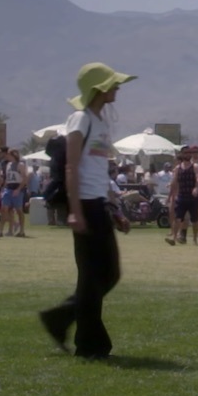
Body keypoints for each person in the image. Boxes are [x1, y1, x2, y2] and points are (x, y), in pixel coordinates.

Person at [39, 62, 136, 361]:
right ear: (99, 88)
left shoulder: (99, 122)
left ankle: (60, 318)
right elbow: (71, 166)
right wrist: (75, 210)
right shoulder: (80, 119)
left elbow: (98, 170)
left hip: (98, 203)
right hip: (84, 203)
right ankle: (90, 345)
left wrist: (114, 207)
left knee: (107, 274)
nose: (117, 88)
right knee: (93, 276)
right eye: (113, 83)